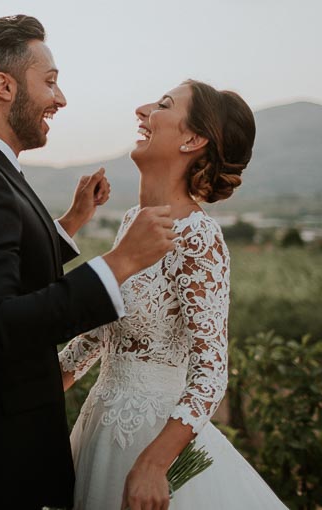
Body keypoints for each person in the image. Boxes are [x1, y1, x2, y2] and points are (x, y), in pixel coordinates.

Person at [0, 15, 177, 510]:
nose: (61, 98)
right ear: (4, 86)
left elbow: (4, 261)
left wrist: (69, 224)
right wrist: (119, 263)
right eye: (49, 82)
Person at [60, 81, 286, 510]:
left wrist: (153, 464)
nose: (142, 108)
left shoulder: (198, 237)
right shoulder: (133, 221)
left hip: (152, 443)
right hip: (98, 430)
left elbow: (210, 371)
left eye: (163, 105)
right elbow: (101, 334)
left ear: (192, 140)